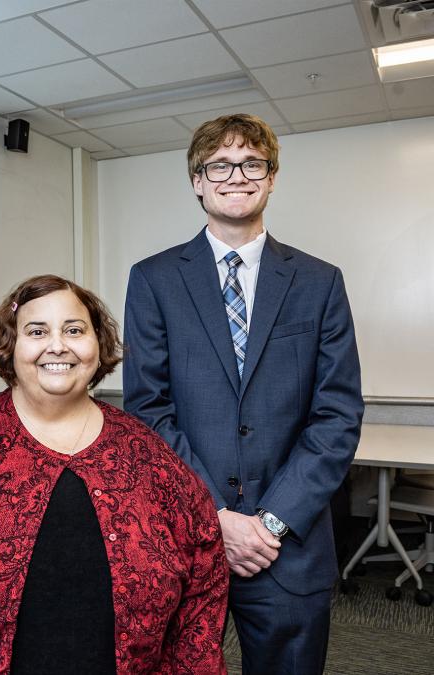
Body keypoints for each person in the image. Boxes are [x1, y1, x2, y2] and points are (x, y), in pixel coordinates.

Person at [0, 274, 228, 675]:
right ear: (11, 346)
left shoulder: (149, 458)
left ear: (97, 344)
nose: (57, 345)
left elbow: (204, 574)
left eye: (74, 330)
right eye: (37, 331)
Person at [122, 114, 364, 674]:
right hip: (185, 539)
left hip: (288, 548)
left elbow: (337, 415)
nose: (237, 175)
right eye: (220, 165)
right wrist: (216, 517)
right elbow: (149, 411)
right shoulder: (154, 279)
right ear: (197, 180)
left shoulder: (319, 281)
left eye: (252, 163)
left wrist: (270, 522)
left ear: (271, 177)